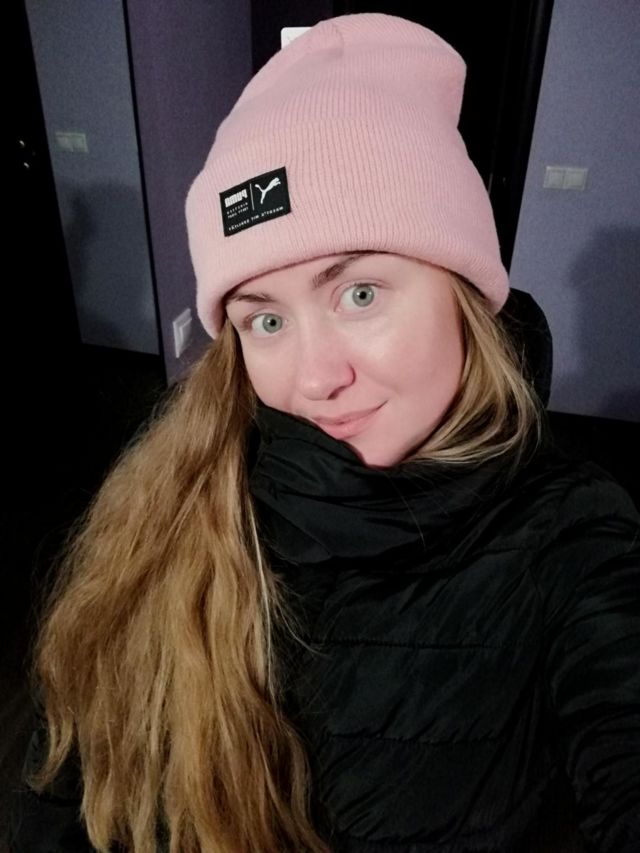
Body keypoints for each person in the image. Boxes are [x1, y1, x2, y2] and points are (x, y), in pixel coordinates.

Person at [10, 12, 639, 853]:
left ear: (463, 292)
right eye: (265, 319)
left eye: (360, 294)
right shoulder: (169, 504)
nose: (315, 378)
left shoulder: (576, 537)